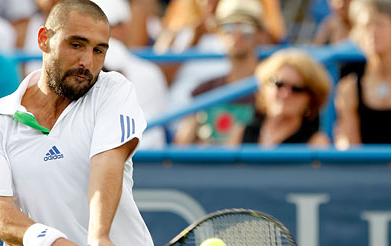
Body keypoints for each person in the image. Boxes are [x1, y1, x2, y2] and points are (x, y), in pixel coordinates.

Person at [0, 1, 163, 246]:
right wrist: (46, 242)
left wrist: (99, 236)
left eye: (98, 50)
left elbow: (107, 162)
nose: (87, 61)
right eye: (76, 44)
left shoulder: (113, 90)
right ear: (44, 39)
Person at [173, 0, 263, 144]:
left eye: (246, 28)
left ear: (259, 33)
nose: (237, 35)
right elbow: (181, 144)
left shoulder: (271, 90)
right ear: (219, 33)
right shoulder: (205, 89)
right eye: (229, 28)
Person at [93, 0, 169, 148]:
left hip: (142, 160)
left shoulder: (149, 74)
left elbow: (150, 135)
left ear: (124, 27)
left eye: (111, 25)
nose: (103, 32)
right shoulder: (76, 72)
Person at [229, 49, 331, 147]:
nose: (285, 94)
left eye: (297, 89)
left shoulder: (316, 143)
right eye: (278, 84)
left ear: (312, 98)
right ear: (265, 87)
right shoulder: (241, 133)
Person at [334, 0, 391, 148]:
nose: (372, 32)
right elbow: (350, 148)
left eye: (380, 24)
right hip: (366, 171)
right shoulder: (349, 87)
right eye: (366, 26)